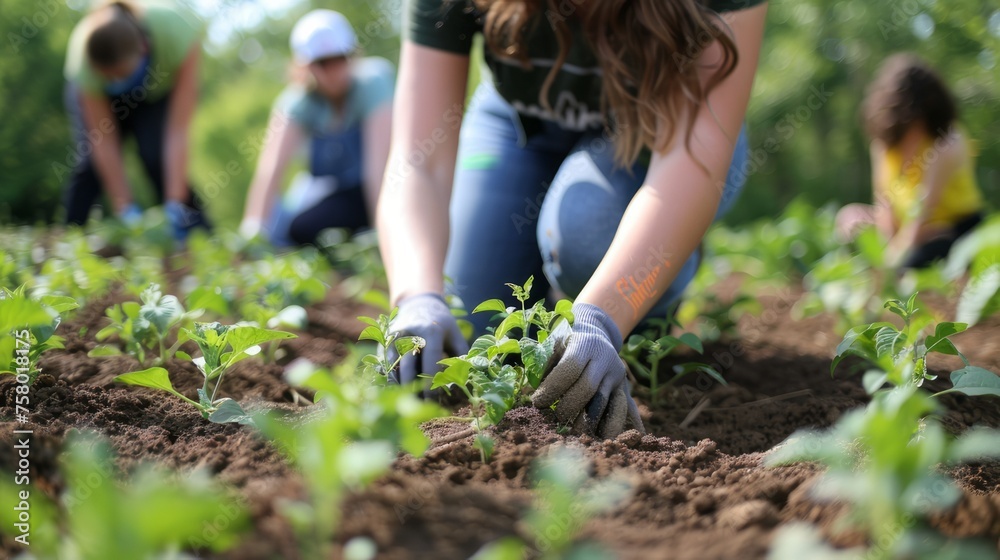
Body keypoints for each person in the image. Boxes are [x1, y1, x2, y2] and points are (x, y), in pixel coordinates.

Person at [378, 0, 767, 438]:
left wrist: (600, 318)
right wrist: (417, 294)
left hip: (664, 123)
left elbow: (691, 163)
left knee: (588, 231)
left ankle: (655, 278)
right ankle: (571, 310)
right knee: (478, 330)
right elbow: (418, 163)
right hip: (520, 118)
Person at [239, 10, 394, 247]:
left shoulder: (373, 83)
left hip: (389, 185)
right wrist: (253, 230)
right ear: (306, 66)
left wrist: (382, 233)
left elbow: (378, 168)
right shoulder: (296, 103)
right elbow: (271, 169)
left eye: (339, 59)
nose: (333, 71)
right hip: (340, 193)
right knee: (299, 228)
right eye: (323, 63)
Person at [62, 0, 209, 241]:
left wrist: (174, 204)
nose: (118, 82)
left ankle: (199, 235)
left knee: (156, 156)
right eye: (110, 77)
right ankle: (71, 240)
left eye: (123, 74)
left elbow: (178, 131)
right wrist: (125, 208)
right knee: (89, 168)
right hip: (99, 100)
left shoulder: (177, 32)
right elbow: (104, 141)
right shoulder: (84, 63)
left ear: (144, 46)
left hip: (156, 92)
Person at [836, 53, 985, 269]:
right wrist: (885, 243)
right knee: (848, 217)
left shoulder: (946, 143)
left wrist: (889, 263)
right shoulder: (884, 144)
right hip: (913, 230)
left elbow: (922, 216)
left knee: (915, 261)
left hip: (956, 229)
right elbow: (885, 205)